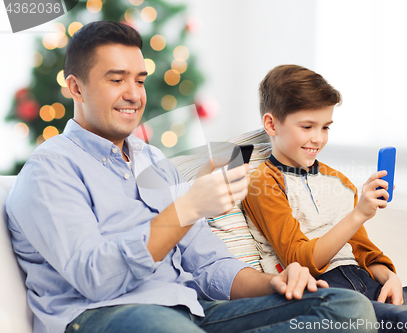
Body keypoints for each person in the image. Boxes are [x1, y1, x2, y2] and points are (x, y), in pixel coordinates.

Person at [5, 22, 379, 333]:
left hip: (190, 312)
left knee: (345, 308)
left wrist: (272, 283)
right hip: (102, 315)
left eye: (139, 80)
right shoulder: (50, 169)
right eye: (117, 80)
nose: (134, 94)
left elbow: (208, 265)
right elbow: (95, 277)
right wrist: (186, 208)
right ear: (75, 87)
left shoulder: (153, 161)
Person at [242, 64, 407, 333]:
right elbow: (299, 259)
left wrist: (389, 276)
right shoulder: (262, 182)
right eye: (307, 126)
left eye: (326, 127)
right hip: (326, 295)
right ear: (271, 124)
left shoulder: (337, 180)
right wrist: (358, 215)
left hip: (365, 281)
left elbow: (362, 249)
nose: (318, 139)